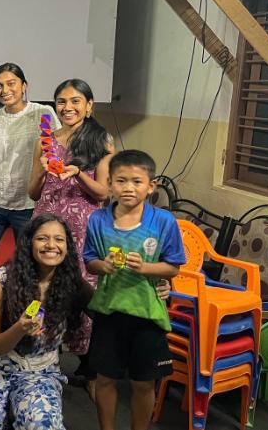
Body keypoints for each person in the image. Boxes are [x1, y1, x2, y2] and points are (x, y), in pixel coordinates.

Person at [0, 214, 171, 430]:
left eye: (59, 239)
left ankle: (19, 412)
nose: (51, 245)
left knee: (41, 426)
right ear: (29, 243)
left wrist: (152, 288)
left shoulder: (72, 283)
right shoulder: (2, 279)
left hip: (40, 373)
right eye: (42, 239)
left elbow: (109, 316)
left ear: (68, 247)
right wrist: (19, 329)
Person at [84, 150, 185, 430]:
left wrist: (146, 269)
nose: (128, 188)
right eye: (121, 181)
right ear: (110, 184)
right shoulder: (97, 220)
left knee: (143, 383)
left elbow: (174, 266)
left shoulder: (163, 221)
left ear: (151, 186)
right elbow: (89, 261)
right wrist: (101, 266)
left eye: (137, 181)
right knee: (105, 379)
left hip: (147, 314)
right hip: (108, 311)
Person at [29, 78, 114, 398]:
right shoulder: (46, 139)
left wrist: (77, 172)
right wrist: (41, 170)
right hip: (46, 223)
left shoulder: (99, 139)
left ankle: (90, 365)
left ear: (89, 105)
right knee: (44, 290)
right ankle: (42, 359)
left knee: (83, 292)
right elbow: (32, 190)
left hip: (82, 228)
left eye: (76, 101)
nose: (68, 108)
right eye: (61, 102)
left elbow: (105, 192)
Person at [0, 63, 60, 327]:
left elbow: (54, 151)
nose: (5, 90)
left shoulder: (43, 113)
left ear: (24, 86)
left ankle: (25, 310)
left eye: (11, 84)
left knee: (30, 261)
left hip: (28, 203)